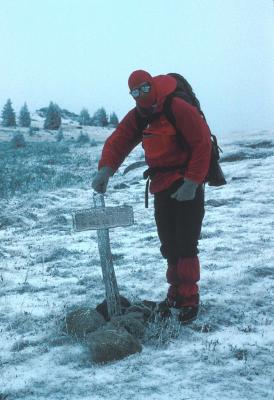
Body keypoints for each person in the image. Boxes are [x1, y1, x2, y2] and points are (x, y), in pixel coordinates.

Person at [92, 70, 212, 323]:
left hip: (186, 181)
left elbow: (202, 143)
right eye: (135, 93)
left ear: (152, 86)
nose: (141, 96)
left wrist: (192, 183)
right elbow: (119, 140)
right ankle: (174, 295)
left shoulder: (176, 106)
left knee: (186, 243)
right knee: (169, 244)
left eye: (144, 89)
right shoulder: (141, 113)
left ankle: (189, 298)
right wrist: (105, 170)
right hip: (161, 185)